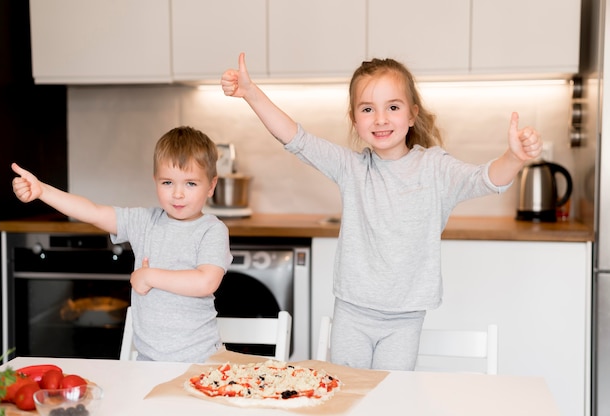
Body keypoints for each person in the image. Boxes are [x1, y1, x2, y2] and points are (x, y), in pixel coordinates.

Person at [221, 53, 542, 371]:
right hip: (352, 313)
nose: (380, 118)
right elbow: (296, 139)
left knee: (391, 399)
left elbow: (483, 179)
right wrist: (251, 93)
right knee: (349, 395)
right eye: (367, 109)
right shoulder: (352, 169)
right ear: (354, 119)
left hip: (405, 318)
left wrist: (513, 158)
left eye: (393, 106)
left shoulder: (435, 168)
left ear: (412, 114)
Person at [11, 126, 233, 362]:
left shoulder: (212, 230)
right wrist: (43, 191)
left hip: (198, 361)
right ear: (155, 181)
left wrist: (149, 277)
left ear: (211, 186)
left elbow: (206, 281)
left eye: (190, 184)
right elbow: (93, 212)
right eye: (168, 182)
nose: (177, 194)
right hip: (148, 360)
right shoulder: (144, 221)